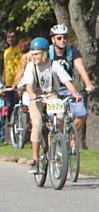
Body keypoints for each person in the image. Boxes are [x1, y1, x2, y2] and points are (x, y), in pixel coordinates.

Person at [23, 37, 81, 173]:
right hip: (36, 96)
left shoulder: (53, 64)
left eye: (36, 53)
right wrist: (31, 94)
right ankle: (35, 160)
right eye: (33, 53)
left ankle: (55, 144)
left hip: (51, 94)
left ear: (44, 53)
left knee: (59, 118)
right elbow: (28, 85)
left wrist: (75, 94)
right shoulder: (31, 66)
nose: (34, 56)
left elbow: (66, 81)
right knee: (37, 124)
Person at [48, 24, 95, 139]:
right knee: (54, 120)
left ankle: (71, 137)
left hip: (68, 88)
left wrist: (88, 84)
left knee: (82, 113)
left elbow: (80, 68)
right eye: (59, 38)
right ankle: (52, 149)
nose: (62, 40)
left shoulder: (72, 51)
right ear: (53, 39)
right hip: (51, 89)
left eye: (65, 37)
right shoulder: (48, 53)